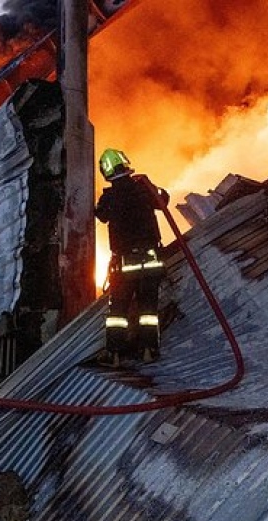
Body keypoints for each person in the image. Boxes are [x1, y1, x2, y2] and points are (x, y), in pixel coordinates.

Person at [95, 148, 169, 367]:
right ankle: (148, 350)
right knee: (148, 309)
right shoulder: (143, 188)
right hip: (151, 261)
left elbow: (101, 215)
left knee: (118, 311)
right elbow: (163, 199)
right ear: (125, 164)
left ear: (106, 171)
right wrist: (152, 186)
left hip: (125, 265)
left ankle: (114, 354)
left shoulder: (108, 197)